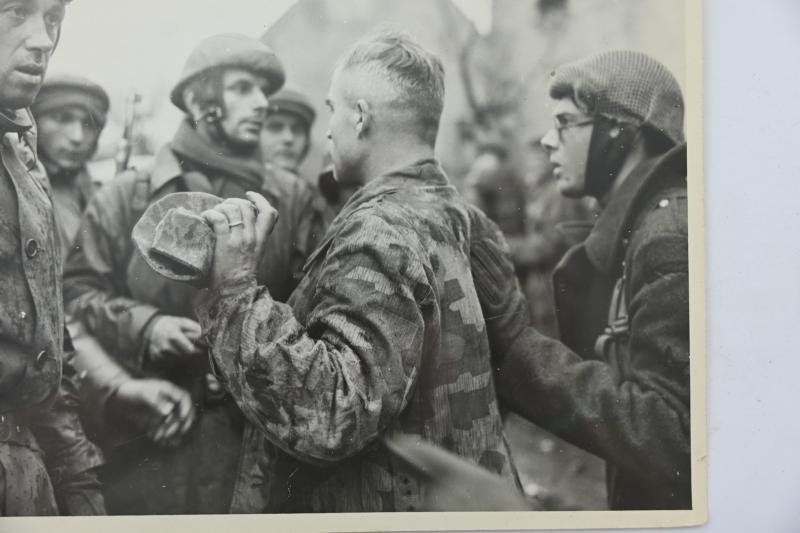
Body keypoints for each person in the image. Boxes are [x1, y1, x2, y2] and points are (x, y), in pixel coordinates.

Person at [195, 31, 521, 512]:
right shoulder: (459, 214)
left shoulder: (380, 229)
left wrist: (236, 289)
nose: (327, 130)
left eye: (333, 110)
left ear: (361, 118)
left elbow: (333, 413)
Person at [63, 33, 319, 514]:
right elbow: (75, 297)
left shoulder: (293, 199)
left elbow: (313, 312)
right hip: (152, 452)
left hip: (257, 461)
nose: (262, 103)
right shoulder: (126, 196)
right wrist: (147, 327)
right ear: (204, 103)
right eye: (243, 88)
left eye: (264, 90)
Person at [475, 49, 691, 510]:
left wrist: (516, 351)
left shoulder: (665, 237)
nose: (547, 141)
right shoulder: (649, 225)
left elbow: (669, 432)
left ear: (620, 130)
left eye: (566, 122)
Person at [0, 0, 105, 516]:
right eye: (15, 12)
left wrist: (79, 484)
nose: (43, 39)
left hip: (27, 477)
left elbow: (46, 349)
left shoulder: (24, 161)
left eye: (53, 18)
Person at [31, 75, 109, 257]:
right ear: (34, 121)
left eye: (89, 124)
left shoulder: (101, 196)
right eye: (62, 119)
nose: (77, 137)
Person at [260, 85, 315, 174]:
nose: (289, 138)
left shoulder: (312, 188)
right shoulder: (236, 186)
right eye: (275, 128)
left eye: (297, 130)